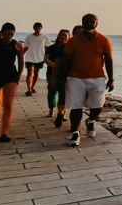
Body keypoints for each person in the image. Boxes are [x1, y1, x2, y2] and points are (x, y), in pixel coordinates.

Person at [55, 13, 114, 147]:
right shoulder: (73, 41)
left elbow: (109, 60)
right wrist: (61, 80)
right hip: (76, 78)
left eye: (91, 22)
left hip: (97, 77)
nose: (88, 24)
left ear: (96, 23)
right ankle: (75, 133)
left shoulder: (104, 40)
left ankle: (91, 120)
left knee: (97, 107)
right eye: (86, 22)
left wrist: (111, 79)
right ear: (82, 23)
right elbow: (66, 61)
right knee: (76, 107)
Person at [44, 29, 70, 120]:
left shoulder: (69, 48)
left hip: (66, 74)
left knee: (63, 93)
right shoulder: (52, 48)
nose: (63, 37)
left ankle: (62, 112)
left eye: (65, 35)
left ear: (68, 37)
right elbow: (46, 59)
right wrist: (55, 66)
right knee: (52, 90)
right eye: (61, 35)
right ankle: (51, 109)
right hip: (51, 72)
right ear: (58, 36)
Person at [23, 22, 50, 95]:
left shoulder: (45, 37)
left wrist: (47, 58)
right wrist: (21, 55)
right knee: (29, 72)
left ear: (41, 29)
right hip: (29, 57)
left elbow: (47, 48)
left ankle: (32, 87)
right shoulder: (29, 37)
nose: (37, 29)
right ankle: (28, 89)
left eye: (39, 28)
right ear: (33, 28)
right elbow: (25, 47)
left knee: (36, 72)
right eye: (36, 28)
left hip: (40, 57)